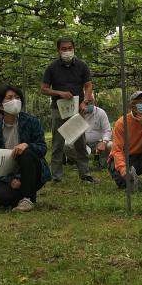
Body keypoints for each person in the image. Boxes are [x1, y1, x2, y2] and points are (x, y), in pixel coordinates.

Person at [0, 84, 51, 211]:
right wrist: (10, 179)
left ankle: (28, 198)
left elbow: (42, 148)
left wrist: (28, 145)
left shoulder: (31, 122)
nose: (15, 101)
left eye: (17, 97)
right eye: (10, 98)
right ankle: (23, 193)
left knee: (25, 152)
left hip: (31, 169)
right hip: (7, 174)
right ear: (0, 105)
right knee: (2, 198)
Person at [41, 37, 95, 183]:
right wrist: (59, 93)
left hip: (77, 108)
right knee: (58, 143)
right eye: (64, 49)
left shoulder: (82, 66)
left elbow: (88, 85)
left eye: (70, 48)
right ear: (58, 50)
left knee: (80, 142)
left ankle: (85, 174)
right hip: (58, 109)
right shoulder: (52, 68)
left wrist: (85, 101)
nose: (67, 51)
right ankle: (56, 177)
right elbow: (44, 89)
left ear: (74, 48)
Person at [66, 97, 112, 168]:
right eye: (86, 103)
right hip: (81, 142)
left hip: (98, 143)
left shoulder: (101, 113)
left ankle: (103, 164)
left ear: (94, 102)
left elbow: (107, 130)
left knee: (110, 145)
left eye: (90, 102)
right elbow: (71, 132)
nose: (88, 104)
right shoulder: (76, 113)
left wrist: (104, 142)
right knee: (67, 144)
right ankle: (77, 163)